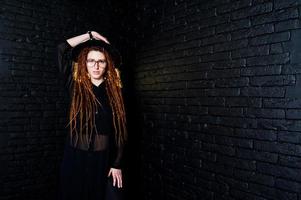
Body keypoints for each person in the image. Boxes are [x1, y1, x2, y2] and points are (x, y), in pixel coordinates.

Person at [57, 31, 127, 200]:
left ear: (107, 64)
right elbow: (61, 49)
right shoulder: (75, 87)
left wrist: (117, 164)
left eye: (101, 61)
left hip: (101, 160)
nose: (96, 66)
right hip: (74, 157)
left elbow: (121, 131)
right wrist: (90, 34)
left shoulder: (116, 94)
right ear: (84, 63)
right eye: (91, 61)